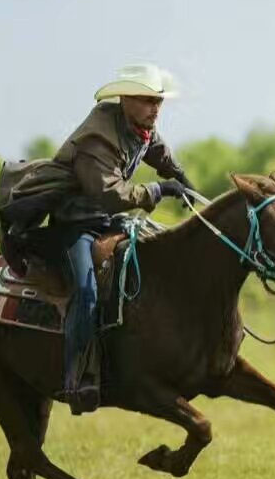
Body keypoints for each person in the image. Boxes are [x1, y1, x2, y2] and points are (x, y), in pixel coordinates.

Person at [49, 63, 196, 415]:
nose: (155, 108)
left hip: (106, 222)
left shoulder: (141, 128)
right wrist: (159, 189)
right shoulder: (96, 137)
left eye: (158, 101)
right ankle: (76, 376)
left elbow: (158, 153)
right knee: (86, 290)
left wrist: (181, 179)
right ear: (126, 99)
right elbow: (109, 194)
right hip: (74, 225)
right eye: (147, 100)